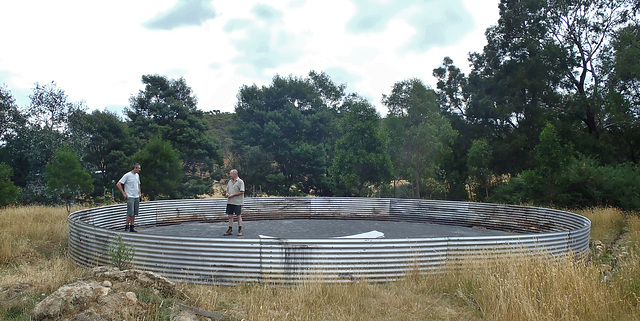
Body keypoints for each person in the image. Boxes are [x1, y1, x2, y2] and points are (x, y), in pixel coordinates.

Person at [116, 163, 141, 232]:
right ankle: (126, 226)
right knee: (130, 212)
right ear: (135, 168)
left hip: (136, 195)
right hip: (130, 195)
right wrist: (124, 193)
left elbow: (138, 184)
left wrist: (139, 192)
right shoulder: (127, 175)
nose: (139, 170)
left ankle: (132, 226)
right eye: (138, 168)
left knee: (135, 212)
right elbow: (118, 184)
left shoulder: (137, 175)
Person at [224, 169, 245, 236]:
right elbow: (226, 189)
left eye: (231, 174)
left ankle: (240, 229)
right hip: (230, 201)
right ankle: (230, 229)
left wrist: (233, 195)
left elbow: (242, 191)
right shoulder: (230, 181)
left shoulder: (240, 182)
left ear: (235, 174)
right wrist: (227, 193)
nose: (230, 175)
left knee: (238, 216)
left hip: (237, 202)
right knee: (230, 216)